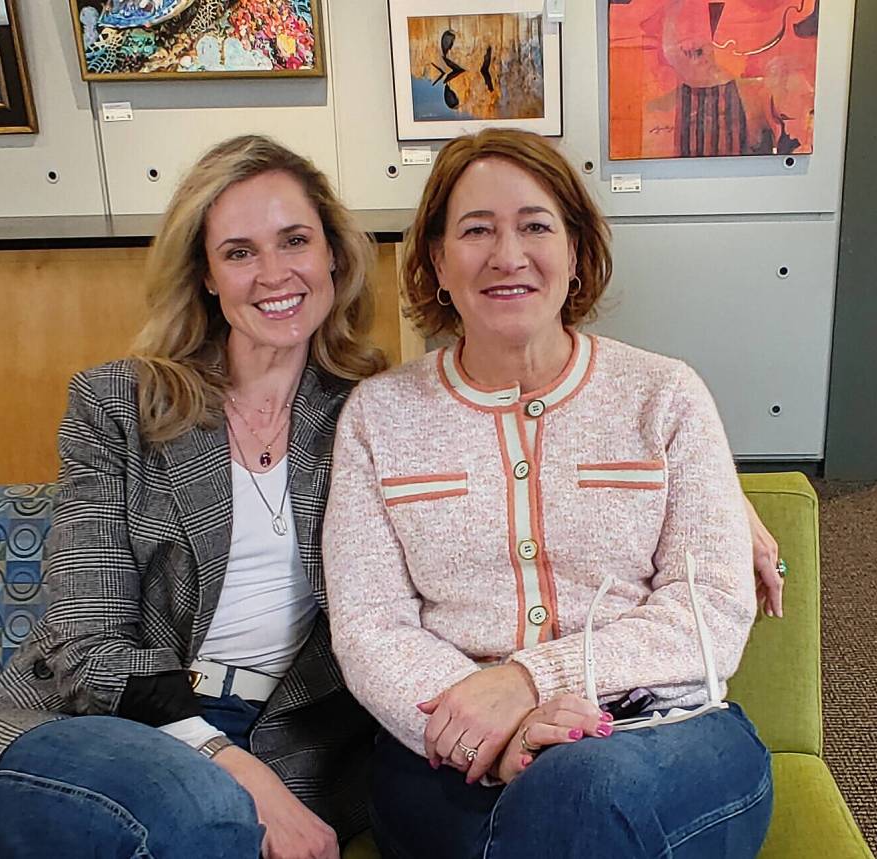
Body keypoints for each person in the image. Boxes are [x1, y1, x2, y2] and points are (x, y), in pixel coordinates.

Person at [322, 128, 774, 859]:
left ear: (574, 252)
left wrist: (532, 678)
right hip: (449, 750)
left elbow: (710, 607)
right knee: (564, 818)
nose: (508, 255)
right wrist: (491, 723)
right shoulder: (380, 415)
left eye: (535, 226)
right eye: (476, 231)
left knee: (582, 794)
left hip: (663, 734)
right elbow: (371, 624)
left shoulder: (664, 395)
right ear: (437, 260)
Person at [0, 134, 387, 859]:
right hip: (99, 715)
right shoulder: (117, 404)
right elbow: (84, 640)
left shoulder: (373, 410)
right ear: (206, 275)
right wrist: (228, 761)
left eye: (295, 240)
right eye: (240, 251)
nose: (274, 273)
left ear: (333, 257)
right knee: (207, 816)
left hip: (289, 726)